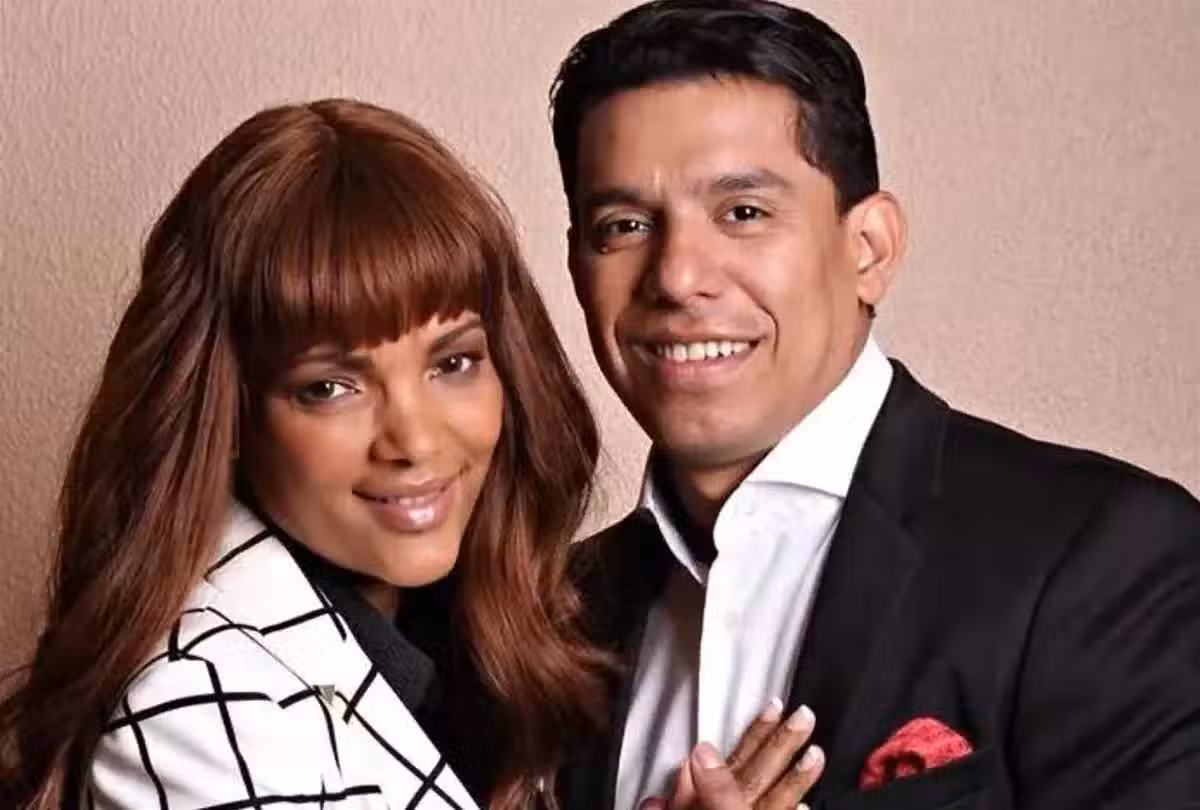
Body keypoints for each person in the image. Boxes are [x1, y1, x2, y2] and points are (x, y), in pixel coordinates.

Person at [0, 98, 821, 810]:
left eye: (452, 363)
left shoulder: (455, 640)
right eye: (330, 387)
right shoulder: (201, 701)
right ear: (230, 412)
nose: (417, 440)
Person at [548, 1, 1200, 808]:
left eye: (743, 213)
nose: (678, 276)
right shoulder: (553, 618)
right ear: (578, 268)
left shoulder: (1103, 556)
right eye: (624, 226)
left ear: (870, 249)